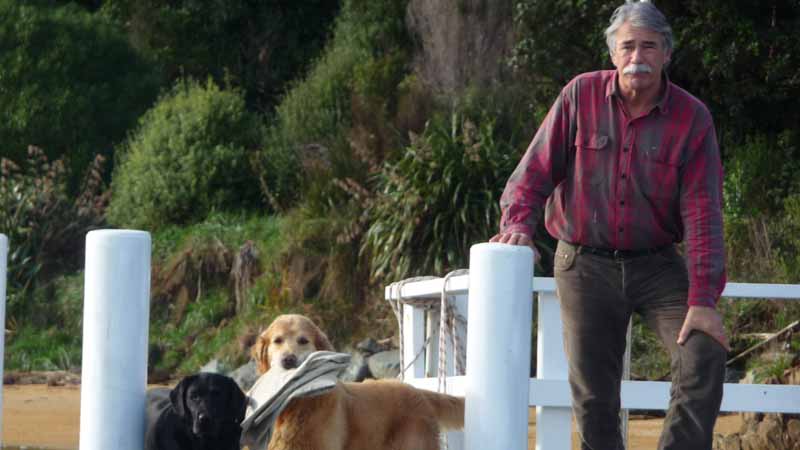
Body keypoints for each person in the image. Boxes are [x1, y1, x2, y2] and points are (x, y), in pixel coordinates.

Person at [490, 1, 729, 449]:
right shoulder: (579, 95)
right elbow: (535, 170)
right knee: (594, 394)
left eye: (649, 46)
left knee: (703, 353)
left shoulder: (692, 118)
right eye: (628, 46)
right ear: (613, 53)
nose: (638, 55)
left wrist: (704, 297)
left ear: (666, 54)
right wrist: (518, 223)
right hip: (583, 261)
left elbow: (703, 213)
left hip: (658, 263)